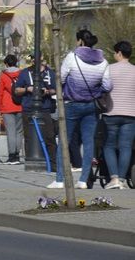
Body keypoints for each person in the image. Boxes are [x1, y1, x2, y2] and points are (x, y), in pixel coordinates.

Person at [48, 29, 111, 189]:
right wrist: (95, 89)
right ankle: (83, 180)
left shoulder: (72, 57)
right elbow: (108, 86)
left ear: (80, 41)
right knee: (88, 142)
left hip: (72, 104)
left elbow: (60, 79)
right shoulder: (103, 61)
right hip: (91, 106)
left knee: (64, 141)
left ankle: (60, 179)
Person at [13, 58, 57, 171]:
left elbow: (56, 89)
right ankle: (30, 162)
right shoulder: (25, 73)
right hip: (28, 108)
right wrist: (27, 89)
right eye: (32, 59)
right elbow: (17, 90)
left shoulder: (49, 73)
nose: (34, 61)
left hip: (45, 108)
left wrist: (47, 91)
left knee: (50, 136)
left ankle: (53, 164)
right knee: (28, 136)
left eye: (36, 58)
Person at [102, 41, 135, 189]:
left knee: (108, 146)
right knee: (126, 147)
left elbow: (102, 89)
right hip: (131, 115)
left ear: (119, 53)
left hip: (111, 113)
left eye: (115, 53)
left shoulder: (109, 69)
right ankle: (121, 180)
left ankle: (113, 178)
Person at [0, 54, 23, 165]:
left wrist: (0, 108)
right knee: (19, 132)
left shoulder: (3, 76)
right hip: (21, 106)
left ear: (6, 63)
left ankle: (11, 156)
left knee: (10, 132)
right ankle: (17, 155)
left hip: (7, 107)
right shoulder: (22, 74)